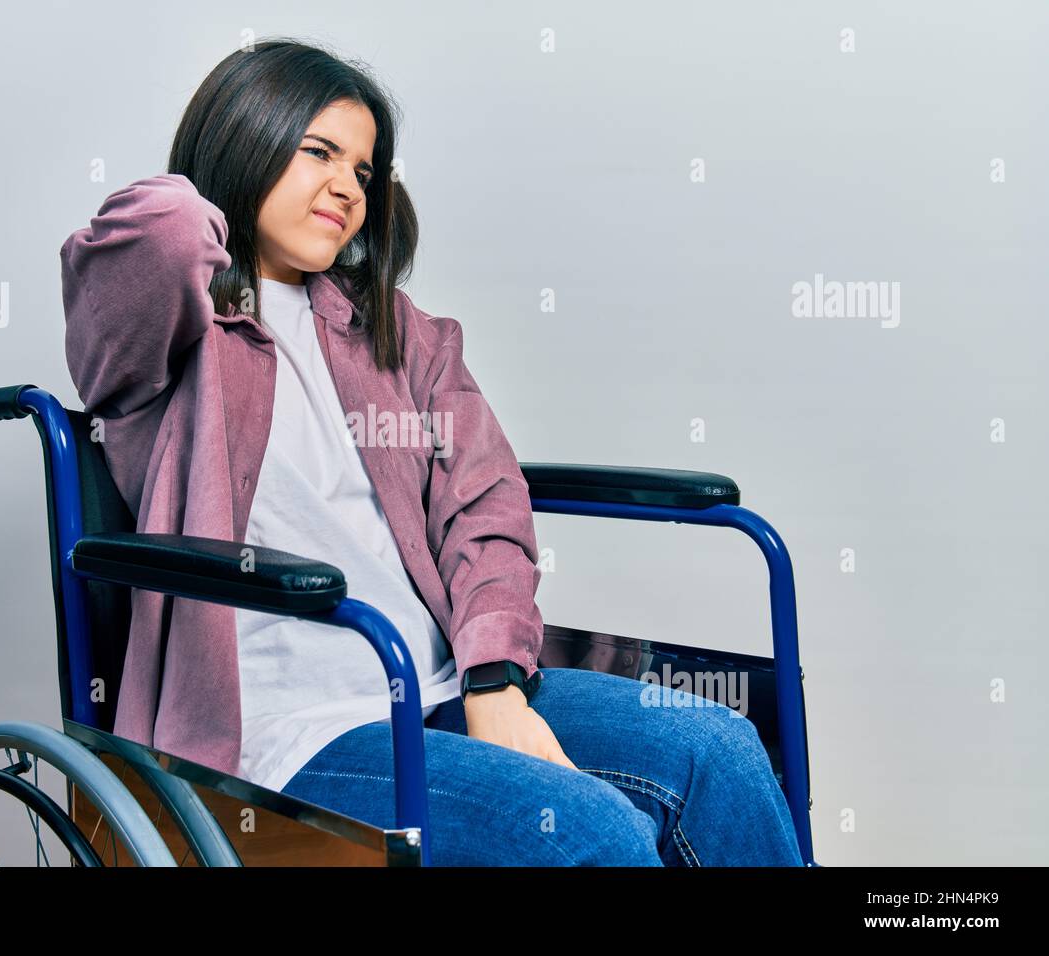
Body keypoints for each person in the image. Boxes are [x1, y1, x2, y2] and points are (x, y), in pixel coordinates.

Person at [61, 36, 804, 866]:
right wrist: (217, 191)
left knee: (718, 750)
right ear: (246, 136)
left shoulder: (402, 335)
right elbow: (162, 231)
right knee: (592, 831)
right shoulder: (169, 336)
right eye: (318, 152)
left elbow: (484, 506)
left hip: (442, 686)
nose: (348, 187)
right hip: (282, 733)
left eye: (364, 170)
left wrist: (493, 681)